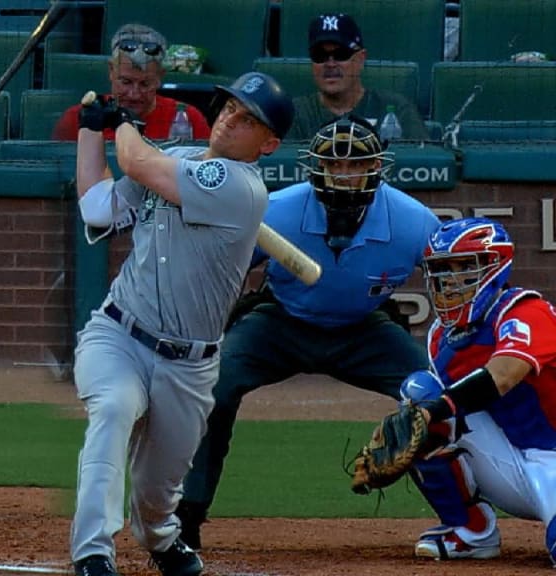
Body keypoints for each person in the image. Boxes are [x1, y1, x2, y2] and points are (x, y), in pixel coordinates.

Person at [175, 115, 441, 550]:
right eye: (334, 165)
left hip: (364, 328)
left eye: (356, 164)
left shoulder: (414, 221)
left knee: (436, 397)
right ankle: (187, 515)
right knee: (212, 387)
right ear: (313, 166)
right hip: (280, 321)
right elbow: (219, 272)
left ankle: (463, 517)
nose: (345, 174)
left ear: (378, 167)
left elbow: (453, 286)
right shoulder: (274, 209)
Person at [70, 71, 294, 576]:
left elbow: (133, 158)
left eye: (248, 118)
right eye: (231, 107)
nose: (230, 119)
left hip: (189, 364)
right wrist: (90, 129)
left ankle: (161, 538)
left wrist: (124, 123)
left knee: (157, 493)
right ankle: (93, 553)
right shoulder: (179, 160)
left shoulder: (240, 186)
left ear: (269, 143)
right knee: (111, 411)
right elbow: (98, 206)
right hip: (119, 335)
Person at [395, 217, 556, 563]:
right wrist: (420, 420)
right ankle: (471, 532)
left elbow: (504, 375)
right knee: (418, 395)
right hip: (512, 459)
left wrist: (436, 410)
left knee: (434, 406)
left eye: (465, 266)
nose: (451, 280)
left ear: (496, 267)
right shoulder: (442, 336)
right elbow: (441, 410)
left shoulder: (526, 311)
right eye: (442, 269)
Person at [52, 23, 211, 142]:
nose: (134, 94)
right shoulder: (79, 118)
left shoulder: (187, 119)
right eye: (126, 82)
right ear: (111, 71)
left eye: (145, 84)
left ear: (160, 77)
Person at [285, 13, 429, 142]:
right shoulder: (294, 113)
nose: (330, 64)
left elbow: (425, 164)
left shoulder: (397, 109)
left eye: (341, 55)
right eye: (319, 55)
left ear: (361, 59)